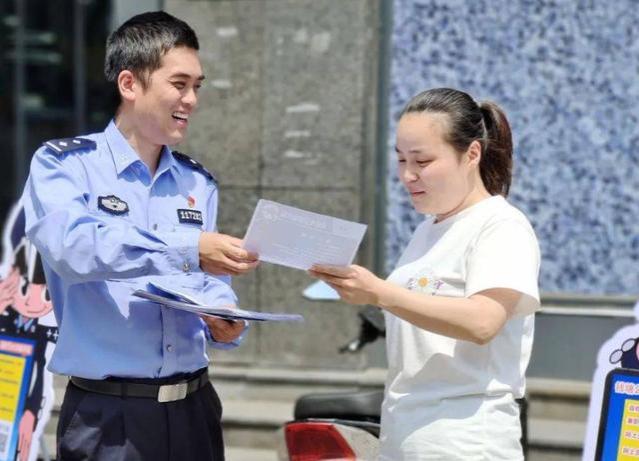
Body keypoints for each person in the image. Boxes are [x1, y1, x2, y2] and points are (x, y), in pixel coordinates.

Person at [20, 11, 259, 461]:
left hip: (195, 410)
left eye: (197, 87)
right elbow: (74, 248)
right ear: (130, 84)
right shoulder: (63, 166)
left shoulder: (197, 183)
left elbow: (207, 282)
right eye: (179, 84)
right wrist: (187, 249)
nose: (191, 100)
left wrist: (226, 317)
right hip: (109, 418)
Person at [310, 88, 540, 460]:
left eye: (422, 160)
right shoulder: (429, 229)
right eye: (401, 159)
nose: (407, 175)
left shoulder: (500, 225)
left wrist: (380, 292)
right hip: (407, 434)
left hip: (466, 437)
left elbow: (483, 322)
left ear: (472, 154)